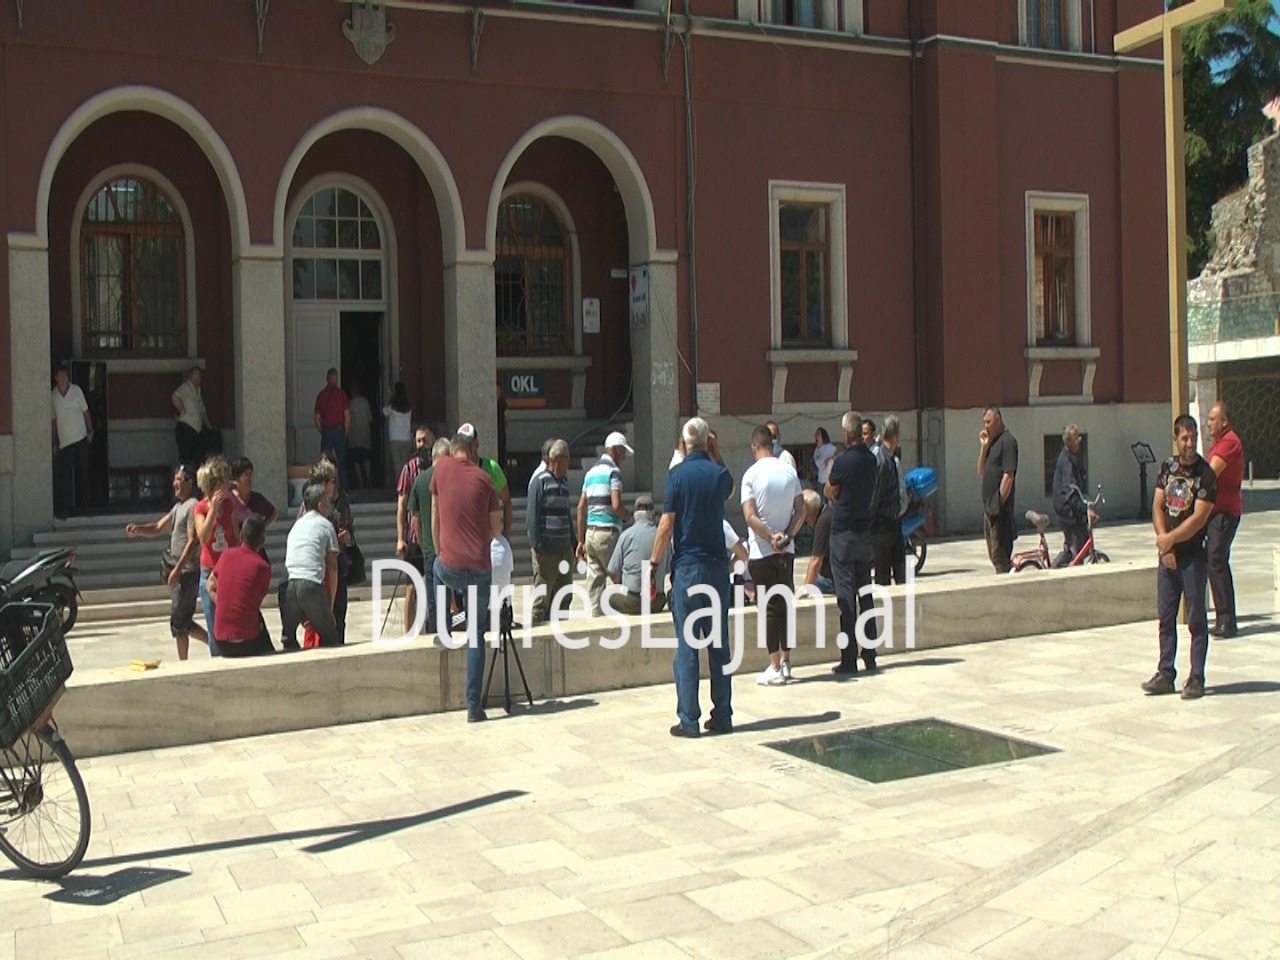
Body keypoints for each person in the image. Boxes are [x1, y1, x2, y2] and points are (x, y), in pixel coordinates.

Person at [651, 417, 735, 738]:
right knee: (718, 645)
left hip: (688, 567)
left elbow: (666, 523)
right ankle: (722, 714)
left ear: (684, 443)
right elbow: (729, 486)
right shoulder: (719, 473)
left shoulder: (677, 476)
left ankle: (689, 719)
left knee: (688, 646)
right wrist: (717, 452)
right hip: (716, 567)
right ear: (708, 442)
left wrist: (654, 563)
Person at [1142, 415, 1218, 701]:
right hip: (1169, 558)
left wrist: (1170, 541)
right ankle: (1165, 672)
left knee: (1197, 620)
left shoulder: (1206, 475)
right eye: (1184, 438)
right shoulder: (1168, 468)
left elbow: (1199, 518)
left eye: (1193, 437)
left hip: (1192, 558)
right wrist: (1166, 546)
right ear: (1175, 439)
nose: (1189, 443)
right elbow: (1158, 507)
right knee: (1166, 617)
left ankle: (1196, 676)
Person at [431, 430, 502, 723]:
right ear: (474, 450)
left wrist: (440, 551)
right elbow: (496, 530)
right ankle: (474, 707)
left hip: (450, 565)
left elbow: (435, 515)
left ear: (452, 448)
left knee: (436, 571)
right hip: (480, 567)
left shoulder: (441, 469)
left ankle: (444, 628)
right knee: (476, 635)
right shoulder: (486, 481)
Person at [741, 424, 805, 686]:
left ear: (755, 447)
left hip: (762, 551)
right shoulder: (789, 471)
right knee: (785, 604)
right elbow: (801, 509)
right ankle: (787, 661)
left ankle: (774, 665)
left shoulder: (751, 475)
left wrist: (769, 538)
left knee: (768, 607)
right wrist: (787, 535)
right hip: (787, 551)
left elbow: (749, 515)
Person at [125, 465, 206, 660]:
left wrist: (178, 570)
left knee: (179, 620)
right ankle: (213, 642)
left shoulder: (193, 506)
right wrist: (139, 530)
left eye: (179, 479)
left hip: (187, 571)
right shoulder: (178, 508)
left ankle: (185, 660)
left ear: (189, 482)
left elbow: (193, 540)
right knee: (182, 621)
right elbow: (158, 527)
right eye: (174, 479)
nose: (174, 484)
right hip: (179, 571)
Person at [825, 410, 879, 675]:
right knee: (865, 593)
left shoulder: (843, 462)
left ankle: (849, 658)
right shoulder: (871, 460)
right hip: (863, 531)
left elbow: (829, 489)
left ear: (847, 434)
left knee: (846, 597)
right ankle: (870, 653)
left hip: (844, 532)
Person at [578, 431, 633, 615]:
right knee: (620, 578)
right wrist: (627, 516)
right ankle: (627, 622)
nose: (624, 458)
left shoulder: (590, 473)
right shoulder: (614, 472)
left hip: (590, 534)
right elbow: (616, 505)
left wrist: (581, 541)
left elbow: (580, 507)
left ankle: (596, 621)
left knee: (595, 585)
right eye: (623, 453)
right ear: (615, 451)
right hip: (608, 532)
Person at [281, 482, 341, 649]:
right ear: (321, 503)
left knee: (289, 639)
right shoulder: (326, 526)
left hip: (288, 586)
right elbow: (333, 569)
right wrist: (328, 607)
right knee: (330, 637)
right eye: (326, 501)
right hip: (311, 584)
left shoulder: (296, 526)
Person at [207, 515, 275, 658]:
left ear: (242, 535)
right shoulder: (263, 567)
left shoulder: (226, 555)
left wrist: (224, 603)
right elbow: (254, 602)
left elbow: (210, 585)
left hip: (221, 641)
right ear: (262, 541)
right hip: (247, 642)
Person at [526, 439, 577, 624]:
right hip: (547, 552)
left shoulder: (563, 484)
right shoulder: (539, 483)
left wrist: (574, 542)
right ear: (555, 460)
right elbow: (531, 517)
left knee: (564, 596)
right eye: (566, 459)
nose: (569, 464)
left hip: (564, 550)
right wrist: (538, 548)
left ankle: (561, 632)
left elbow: (566, 515)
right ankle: (537, 634)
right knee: (542, 599)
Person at [194, 456, 239, 657]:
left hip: (228, 568)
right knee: (213, 625)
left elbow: (236, 537)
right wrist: (212, 509)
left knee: (230, 621)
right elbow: (202, 537)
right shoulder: (200, 508)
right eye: (224, 480)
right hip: (210, 570)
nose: (228, 484)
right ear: (216, 483)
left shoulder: (229, 506)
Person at [1205, 402, 1243, 638]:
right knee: (1214, 560)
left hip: (1225, 513)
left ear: (1224, 421)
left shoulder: (1229, 442)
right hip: (1216, 512)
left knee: (1216, 559)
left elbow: (1210, 473)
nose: (1208, 423)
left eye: (1212, 419)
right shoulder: (1220, 443)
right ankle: (1223, 617)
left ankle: (1227, 620)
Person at [408, 438, 452, 633]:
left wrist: (422, 541)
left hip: (428, 549)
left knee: (433, 600)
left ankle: (435, 634)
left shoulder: (419, 481)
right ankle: (446, 634)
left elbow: (415, 519)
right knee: (447, 598)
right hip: (448, 547)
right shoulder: (448, 479)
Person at [310, 456, 354, 644]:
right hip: (320, 567)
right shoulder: (311, 505)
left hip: (338, 560)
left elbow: (349, 524)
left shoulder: (341, 499)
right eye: (331, 481)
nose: (333, 485)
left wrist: (346, 534)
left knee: (339, 613)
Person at [396, 425, 435, 631]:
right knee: (411, 588)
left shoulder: (439, 468)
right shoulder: (408, 469)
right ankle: (408, 630)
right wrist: (400, 538)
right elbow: (401, 505)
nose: (422, 445)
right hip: (413, 539)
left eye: (425, 440)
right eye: (418, 441)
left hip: (435, 536)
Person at [607, 494, 669, 615]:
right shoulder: (663, 538)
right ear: (653, 514)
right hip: (657, 602)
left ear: (635, 514)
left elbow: (613, 571)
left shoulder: (626, 535)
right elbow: (669, 568)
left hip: (632, 601)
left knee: (607, 595)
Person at [977, 406, 1018, 574]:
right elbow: (981, 470)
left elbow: (1009, 476)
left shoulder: (1008, 441)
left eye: (989, 422)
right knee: (993, 555)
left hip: (1000, 512)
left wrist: (998, 503)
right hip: (989, 511)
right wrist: (984, 447)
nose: (985, 426)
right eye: (984, 422)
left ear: (998, 420)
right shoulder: (992, 442)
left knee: (1000, 556)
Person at [51, 363, 93, 519]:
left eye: (66, 376)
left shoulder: (77, 391)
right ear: (56, 378)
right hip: (64, 444)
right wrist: (54, 443)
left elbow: (86, 411)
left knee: (83, 474)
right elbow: (53, 422)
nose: (64, 379)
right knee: (65, 478)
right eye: (61, 376)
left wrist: (91, 430)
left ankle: (86, 509)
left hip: (81, 438)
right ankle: (65, 510)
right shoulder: (53, 396)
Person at [871, 415, 907, 586]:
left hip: (894, 522)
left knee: (900, 571)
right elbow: (875, 495)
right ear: (896, 435)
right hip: (882, 525)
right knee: (883, 575)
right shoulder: (881, 460)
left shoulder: (890, 458)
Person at [1051, 425, 1093, 568]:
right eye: (1076, 438)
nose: (1079, 441)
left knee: (1070, 548)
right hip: (1068, 512)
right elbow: (1071, 492)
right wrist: (1085, 510)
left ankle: (1056, 566)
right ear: (1068, 441)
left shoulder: (1066, 457)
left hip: (1062, 510)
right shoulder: (1068, 463)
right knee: (1078, 549)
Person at [314, 367, 351, 491]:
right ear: (336, 379)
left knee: (325, 465)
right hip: (339, 430)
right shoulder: (341, 394)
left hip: (327, 431)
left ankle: (325, 491)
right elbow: (347, 415)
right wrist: (345, 432)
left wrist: (322, 431)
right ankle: (344, 492)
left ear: (327, 379)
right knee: (342, 463)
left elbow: (317, 418)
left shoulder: (321, 395)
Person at [172, 365, 214, 467]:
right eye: (195, 375)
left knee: (198, 458)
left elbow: (202, 411)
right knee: (187, 459)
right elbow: (175, 396)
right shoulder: (186, 387)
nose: (197, 378)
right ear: (190, 376)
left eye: (199, 376)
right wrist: (182, 410)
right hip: (186, 428)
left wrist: (209, 427)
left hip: (196, 432)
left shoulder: (198, 391)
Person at [229, 457, 278, 533]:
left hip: (255, 544)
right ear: (237, 478)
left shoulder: (257, 499)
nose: (250, 479)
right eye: (246, 475)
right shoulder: (228, 499)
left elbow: (273, 513)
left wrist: (260, 529)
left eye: (251, 475)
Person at [800, 490, 835, 595]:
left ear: (810, 509)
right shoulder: (830, 512)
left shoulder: (822, 522)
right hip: (844, 575)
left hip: (832, 580)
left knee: (812, 581)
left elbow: (816, 560)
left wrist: (804, 591)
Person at [347, 381, 374, 490]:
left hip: (354, 432)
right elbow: (370, 418)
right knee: (366, 456)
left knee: (356, 458)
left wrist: (348, 434)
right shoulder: (365, 402)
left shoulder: (350, 403)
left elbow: (350, 419)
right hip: (365, 432)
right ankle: (368, 477)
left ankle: (361, 481)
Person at [384, 381, 414, 475]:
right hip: (406, 438)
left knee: (398, 469)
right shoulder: (408, 407)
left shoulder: (392, 407)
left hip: (395, 439)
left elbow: (384, 412)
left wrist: (389, 398)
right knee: (405, 467)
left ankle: (400, 488)